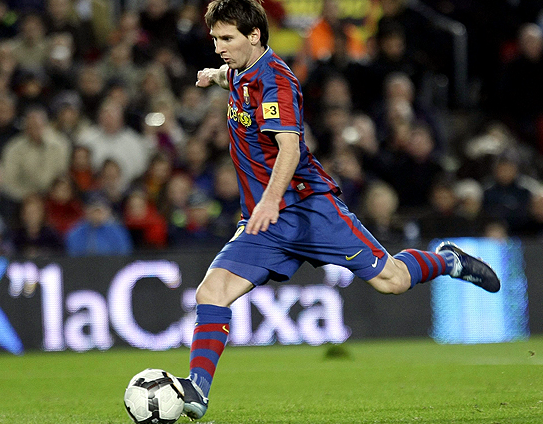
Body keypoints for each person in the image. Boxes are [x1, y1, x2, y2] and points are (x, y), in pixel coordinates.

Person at [176, 0, 502, 421]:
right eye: (215, 39)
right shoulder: (239, 70)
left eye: (226, 38)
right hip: (265, 221)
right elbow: (234, 82)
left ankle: (448, 260)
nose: (219, 47)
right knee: (211, 292)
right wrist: (214, 75)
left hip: (309, 210)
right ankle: (197, 390)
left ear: (254, 35)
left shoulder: (277, 81)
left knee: (392, 281)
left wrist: (271, 200)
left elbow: (289, 150)